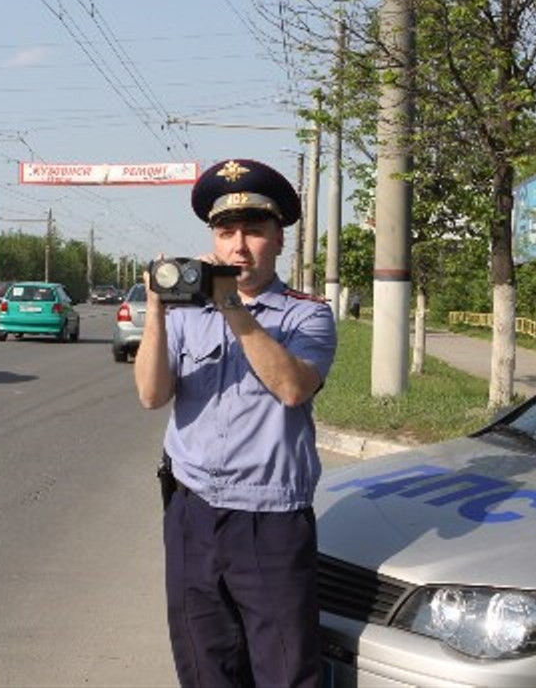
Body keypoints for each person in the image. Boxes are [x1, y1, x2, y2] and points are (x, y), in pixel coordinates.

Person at [134, 158, 337, 687]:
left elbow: (293, 387)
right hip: (193, 514)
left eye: (254, 232)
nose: (239, 247)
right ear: (213, 240)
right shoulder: (185, 315)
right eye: (226, 233)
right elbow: (152, 394)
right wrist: (157, 310)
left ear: (279, 240)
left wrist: (231, 307)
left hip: (270, 522)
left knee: (286, 671)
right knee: (204, 667)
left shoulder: (305, 314)